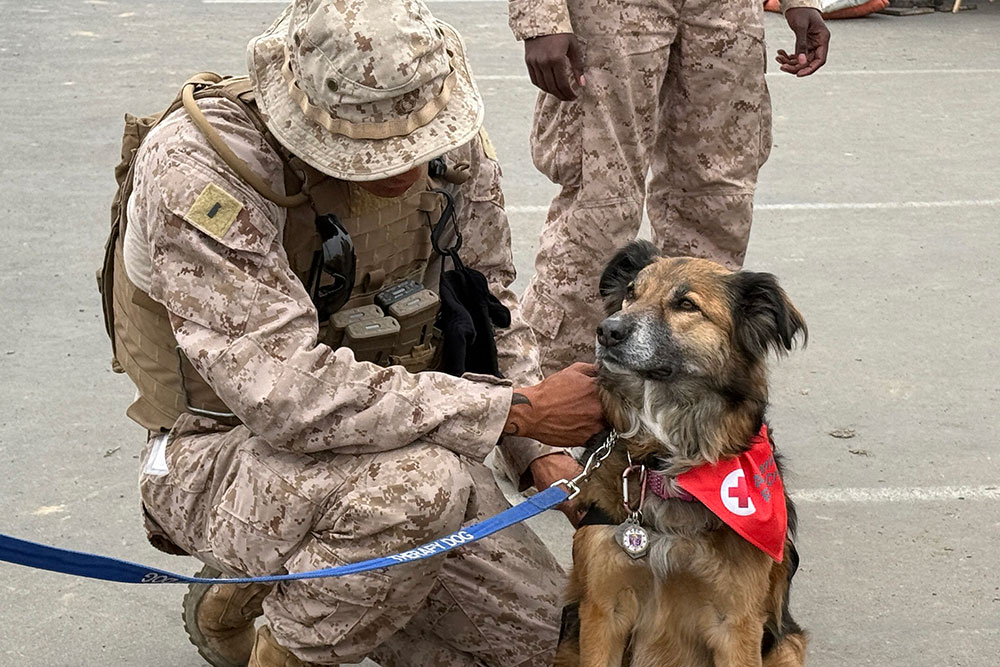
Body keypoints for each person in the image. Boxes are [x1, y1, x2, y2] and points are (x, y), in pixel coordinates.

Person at [100, 1, 603, 665]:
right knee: (421, 492)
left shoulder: (447, 139)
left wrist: (539, 447)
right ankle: (281, 642)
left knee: (555, 649)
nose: (404, 168)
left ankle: (252, 595)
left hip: (399, 447)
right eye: (371, 151)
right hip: (219, 452)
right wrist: (514, 412)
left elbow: (488, 306)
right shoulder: (204, 166)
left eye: (415, 144)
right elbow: (284, 394)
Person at [509, 0, 832, 374]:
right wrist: (540, 17)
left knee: (716, 206)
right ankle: (557, 385)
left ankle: (692, 390)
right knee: (599, 210)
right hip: (611, 12)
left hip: (723, 10)